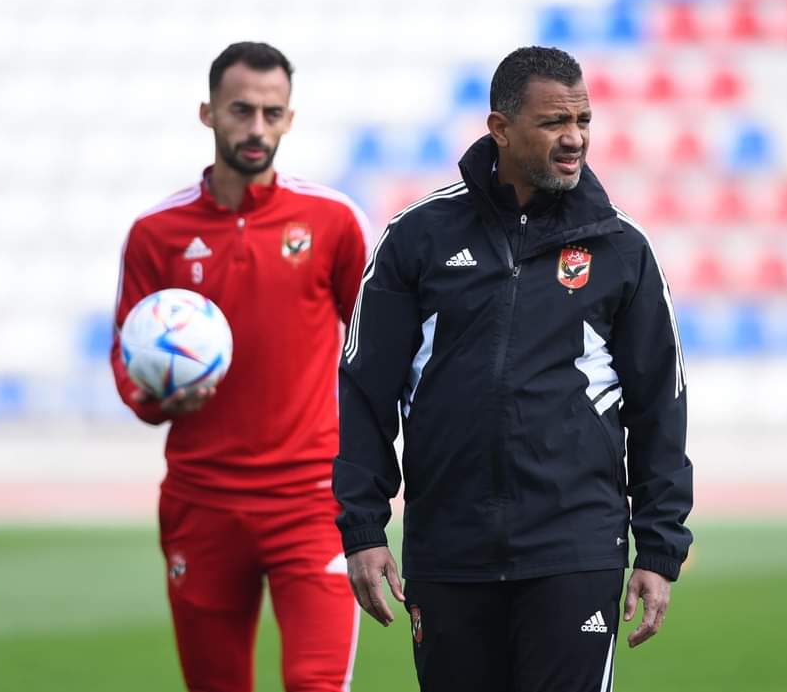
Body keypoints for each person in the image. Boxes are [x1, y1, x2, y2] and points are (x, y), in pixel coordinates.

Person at [333, 45, 693, 691]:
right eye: (554, 122)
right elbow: (365, 390)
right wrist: (363, 527)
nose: (574, 137)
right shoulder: (418, 236)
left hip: (574, 546)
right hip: (449, 550)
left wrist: (660, 546)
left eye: (583, 120)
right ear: (500, 128)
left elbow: (659, 406)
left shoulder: (621, 247)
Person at [111, 41, 370, 692]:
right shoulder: (156, 232)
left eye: (272, 113)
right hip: (202, 501)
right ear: (208, 113)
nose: (257, 128)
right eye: (241, 110)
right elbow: (125, 357)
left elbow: (378, 350)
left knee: (315, 683)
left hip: (311, 499)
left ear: (289, 120)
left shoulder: (333, 220)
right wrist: (158, 397)